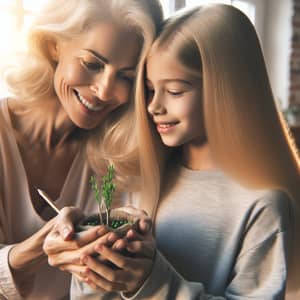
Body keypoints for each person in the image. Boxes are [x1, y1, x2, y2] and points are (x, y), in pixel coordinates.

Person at [48, 4, 300, 299]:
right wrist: (90, 258)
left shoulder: (264, 206)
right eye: (150, 90)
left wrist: (151, 281)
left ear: (228, 89)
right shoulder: (143, 177)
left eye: (175, 91)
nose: (154, 106)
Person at [0, 0, 163, 299]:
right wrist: (38, 248)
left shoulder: (118, 157)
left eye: (125, 76)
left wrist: (139, 265)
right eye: (92, 64)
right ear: (53, 45)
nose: (104, 90)